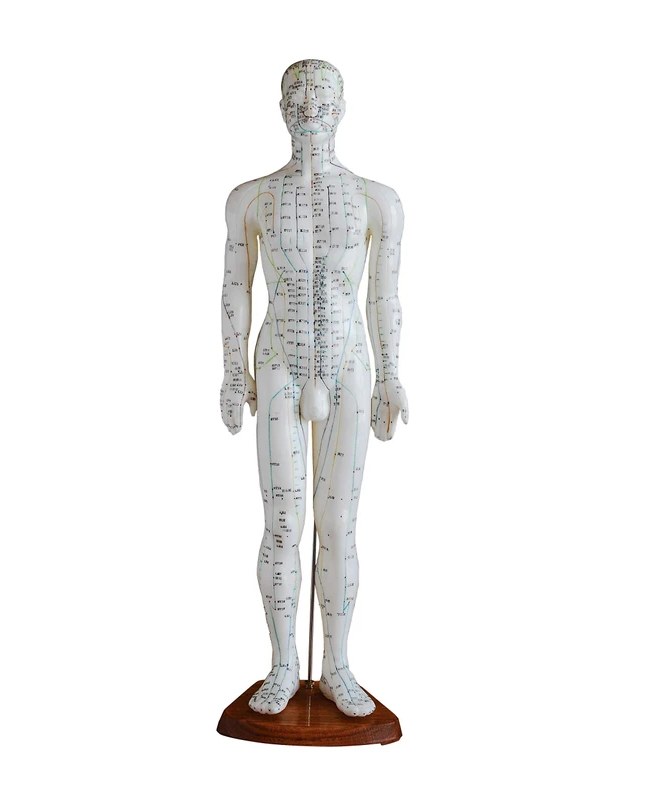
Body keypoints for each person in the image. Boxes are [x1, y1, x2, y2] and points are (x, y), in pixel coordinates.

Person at [220, 59, 408, 717]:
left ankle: (337, 666)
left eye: (321, 93)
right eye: (296, 93)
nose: (309, 104)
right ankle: (282, 663)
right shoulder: (250, 199)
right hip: (279, 359)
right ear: (280, 107)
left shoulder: (377, 200)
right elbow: (235, 287)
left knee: (339, 524)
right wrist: (232, 369)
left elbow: (385, 293)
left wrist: (391, 375)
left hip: (348, 362)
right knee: (283, 521)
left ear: (342, 106)